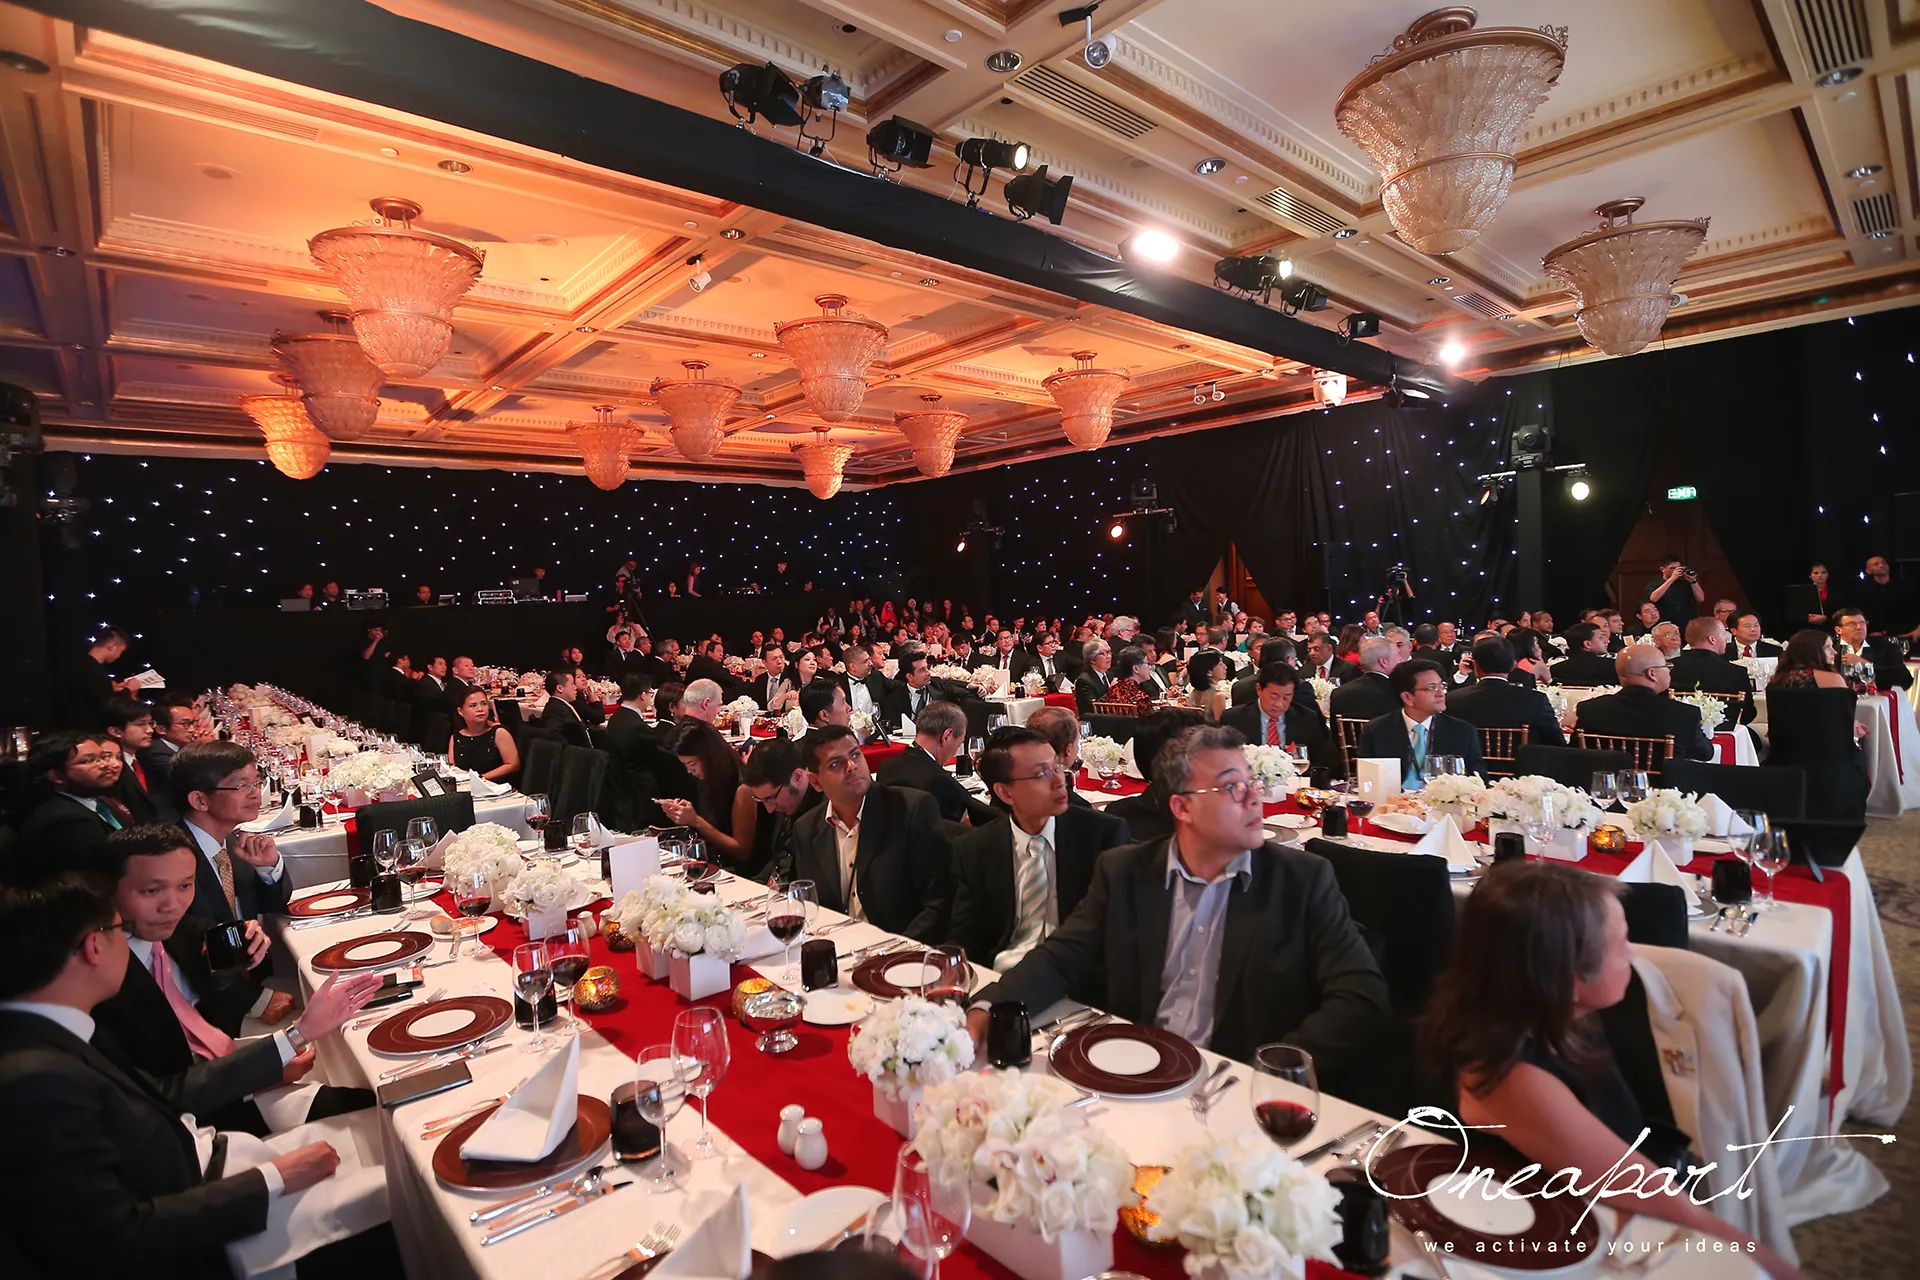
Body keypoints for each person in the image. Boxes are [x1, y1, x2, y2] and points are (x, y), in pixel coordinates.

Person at [1420, 862, 1808, 1280]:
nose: (1634, 954)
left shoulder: (1544, 1011)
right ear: (1567, 976)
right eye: (1621, 943)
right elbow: (1671, 1207)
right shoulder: (1513, 1080)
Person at [0, 872, 391, 1280]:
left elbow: (163, 1097)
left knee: (384, 1122)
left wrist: (293, 1039)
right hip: (220, 1228)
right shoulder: (31, 1082)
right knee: (411, 1184)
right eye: (120, 930)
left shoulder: (53, 1028)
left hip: (213, 1161)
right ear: (93, 947)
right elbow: (111, 1239)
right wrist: (273, 1178)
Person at [964, 725, 1391, 1086]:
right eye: (1232, 787)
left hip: (1235, 1084)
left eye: (1253, 783)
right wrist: (987, 1009)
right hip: (1135, 1070)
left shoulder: (1301, 880)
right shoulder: (1125, 870)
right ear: (1182, 807)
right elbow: (1062, 957)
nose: (1254, 799)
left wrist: (1273, 1071)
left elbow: (1361, 998)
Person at [89, 824, 376, 1132]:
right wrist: (290, 1041)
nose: (171, 905)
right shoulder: (95, 978)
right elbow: (159, 1096)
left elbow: (210, 943)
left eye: (184, 886)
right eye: (151, 891)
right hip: (187, 1123)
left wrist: (249, 940)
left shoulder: (176, 931)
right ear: (108, 890)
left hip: (225, 1069)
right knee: (372, 1111)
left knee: (370, 1087)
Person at [945, 727, 1135, 966]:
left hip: (1078, 974)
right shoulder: (975, 848)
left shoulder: (1102, 835)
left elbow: (1120, 929)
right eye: (1042, 774)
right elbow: (964, 934)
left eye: (1057, 766)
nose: (1060, 781)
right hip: (1002, 971)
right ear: (1005, 793)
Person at [789, 726, 953, 943]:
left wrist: (894, 952)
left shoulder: (911, 810)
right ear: (815, 782)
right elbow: (808, 905)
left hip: (900, 949)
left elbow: (940, 903)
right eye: (836, 764)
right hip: (838, 946)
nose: (851, 766)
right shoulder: (806, 829)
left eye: (855, 755)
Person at [169, 742, 296, 931]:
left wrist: (268, 868)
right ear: (200, 800)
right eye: (242, 786)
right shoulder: (171, 861)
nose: (256, 794)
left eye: (257, 783)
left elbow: (268, 905)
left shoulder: (232, 842)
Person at [1764, 631, 1870, 820]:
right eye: (1828, 647)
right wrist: (1852, 727)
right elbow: (1840, 724)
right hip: (1829, 757)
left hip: (1787, 752)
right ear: (1812, 651)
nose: (1834, 652)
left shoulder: (1778, 679)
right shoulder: (1832, 679)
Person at [1357, 660, 1485, 789]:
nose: (1441, 693)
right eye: (1431, 688)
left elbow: (1479, 781)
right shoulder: (1377, 730)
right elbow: (1366, 782)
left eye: (1442, 686)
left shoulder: (1462, 732)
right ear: (1407, 697)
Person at [1571, 647, 1714, 760]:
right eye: (1667, 666)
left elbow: (1576, 751)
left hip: (1606, 783)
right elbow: (1705, 754)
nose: (1669, 671)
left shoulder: (1590, 709)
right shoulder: (1683, 714)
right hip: (1662, 787)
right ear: (1652, 673)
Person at [16, 731, 130, 868]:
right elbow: (100, 873)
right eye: (88, 761)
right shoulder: (66, 821)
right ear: (57, 776)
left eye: (102, 757)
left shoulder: (95, 800)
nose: (105, 765)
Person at [875, 701, 998, 826]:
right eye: (958, 744)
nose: (955, 752)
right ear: (947, 736)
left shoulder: (886, 766)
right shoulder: (941, 781)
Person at [659, 722, 756, 869]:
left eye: (692, 764)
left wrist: (696, 821)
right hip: (713, 862)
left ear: (710, 757)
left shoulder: (742, 788)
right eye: (685, 765)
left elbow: (742, 851)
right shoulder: (709, 780)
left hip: (737, 870)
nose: (689, 771)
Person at [1444, 638, 1565, 747]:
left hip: (1468, 764)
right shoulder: (1536, 700)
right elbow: (1556, 742)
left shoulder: (1452, 700)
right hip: (1523, 763)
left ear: (1475, 666)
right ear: (1513, 666)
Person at [1222, 662, 1338, 770]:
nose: (1279, 704)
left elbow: (1324, 762)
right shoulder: (1234, 719)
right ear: (1259, 689)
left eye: (1286, 697)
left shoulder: (1307, 718)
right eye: (1274, 696)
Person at [1668, 617, 1758, 728]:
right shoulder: (1736, 672)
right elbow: (1747, 714)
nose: (1726, 639)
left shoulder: (1667, 668)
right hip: (1723, 731)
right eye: (1723, 634)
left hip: (1676, 731)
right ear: (1712, 639)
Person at [103, 696, 170, 822]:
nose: (150, 730)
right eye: (141, 724)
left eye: (150, 723)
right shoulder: (110, 769)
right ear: (115, 731)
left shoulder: (146, 757)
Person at [53, 626, 133, 730]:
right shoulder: (93, 669)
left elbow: (92, 692)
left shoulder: (79, 663)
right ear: (112, 646)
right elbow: (107, 705)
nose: (119, 656)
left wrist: (112, 689)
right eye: (121, 651)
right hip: (85, 729)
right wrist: (128, 690)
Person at [448, 687, 519, 782]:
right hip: (466, 786)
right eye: (473, 705)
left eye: (484, 704)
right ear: (460, 711)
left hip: (497, 787)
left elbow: (513, 765)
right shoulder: (456, 737)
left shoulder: (499, 733)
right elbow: (452, 767)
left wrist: (480, 778)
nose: (480, 709)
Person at [1834, 607, 1914, 690]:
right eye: (1852, 624)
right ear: (1838, 630)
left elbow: (1905, 680)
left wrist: (1865, 664)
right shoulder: (1830, 648)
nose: (1859, 627)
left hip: (1876, 696)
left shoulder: (1885, 647)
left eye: (1862, 623)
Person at [1327, 635, 1400, 722]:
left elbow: (1335, 729)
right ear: (1383, 662)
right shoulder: (1398, 693)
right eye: (1397, 655)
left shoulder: (1338, 693)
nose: (1401, 659)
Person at [1858, 555, 1919, 641]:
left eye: (1884, 563)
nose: (1881, 565)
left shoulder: (1905, 586)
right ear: (1868, 570)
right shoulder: (1863, 590)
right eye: (1876, 564)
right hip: (1877, 636)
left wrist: (1918, 630)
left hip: (1909, 634)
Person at [1549, 622, 1619, 687]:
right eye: (1600, 637)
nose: (1607, 641)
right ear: (1587, 644)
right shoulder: (1613, 666)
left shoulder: (1555, 670)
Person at [535, 671, 593, 747]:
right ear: (560, 688)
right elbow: (552, 735)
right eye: (572, 684)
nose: (575, 687)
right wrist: (572, 751)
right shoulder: (556, 710)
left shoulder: (560, 705)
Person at [1645, 555, 1705, 628]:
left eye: (1678, 568)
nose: (1676, 571)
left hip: (1687, 622)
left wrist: (1693, 581)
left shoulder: (1685, 583)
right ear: (1662, 569)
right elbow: (1653, 598)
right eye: (1672, 568)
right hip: (1666, 624)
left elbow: (1701, 598)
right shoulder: (1654, 584)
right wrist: (1672, 579)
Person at [1103, 647, 1157, 712]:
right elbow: (1150, 718)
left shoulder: (1112, 691)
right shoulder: (1140, 697)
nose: (1150, 667)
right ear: (1136, 668)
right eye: (1147, 663)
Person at [1183, 650, 1231, 720]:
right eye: (1220, 664)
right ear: (1209, 672)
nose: (1225, 667)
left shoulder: (1195, 691)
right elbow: (1219, 723)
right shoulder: (1219, 696)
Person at [1072, 639, 1116, 714]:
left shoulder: (1111, 675)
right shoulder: (1084, 681)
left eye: (1109, 652)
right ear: (1092, 659)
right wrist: (1111, 690)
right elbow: (1093, 707)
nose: (1109, 656)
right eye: (1103, 654)